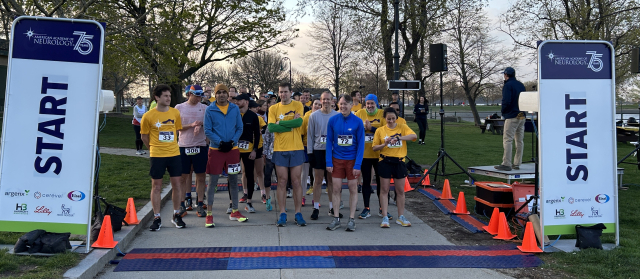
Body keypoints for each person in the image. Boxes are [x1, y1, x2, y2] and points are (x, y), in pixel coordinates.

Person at [140, 84, 185, 230]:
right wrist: (153, 148)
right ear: (157, 97)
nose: (168, 98)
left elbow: (177, 131)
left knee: (177, 185)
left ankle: (176, 215)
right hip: (157, 155)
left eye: (170, 96)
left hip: (174, 154)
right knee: (156, 186)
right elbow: (144, 137)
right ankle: (157, 217)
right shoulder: (148, 116)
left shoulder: (175, 113)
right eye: (165, 96)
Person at [203, 84, 247, 228]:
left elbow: (240, 127)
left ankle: (235, 211)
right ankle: (209, 214)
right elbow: (207, 130)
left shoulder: (234, 108)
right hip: (216, 150)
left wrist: (232, 141)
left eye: (224, 92)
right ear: (215, 95)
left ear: (228, 94)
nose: (222, 95)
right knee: (213, 182)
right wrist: (220, 142)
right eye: (219, 92)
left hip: (232, 150)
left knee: (234, 181)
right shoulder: (210, 110)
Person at [268, 82, 307, 227]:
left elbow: (298, 124)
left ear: (291, 92)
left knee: (296, 181)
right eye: (281, 92)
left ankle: (298, 213)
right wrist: (291, 122)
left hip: (296, 148)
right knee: (282, 181)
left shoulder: (298, 105)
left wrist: (281, 124)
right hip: (280, 149)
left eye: (285, 92)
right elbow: (271, 127)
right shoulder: (273, 108)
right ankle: (283, 213)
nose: (283, 94)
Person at [325, 94, 365, 231]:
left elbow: (361, 145)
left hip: (352, 160)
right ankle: (336, 218)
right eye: (341, 104)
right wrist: (328, 161)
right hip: (337, 159)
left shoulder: (358, 122)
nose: (343, 106)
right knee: (336, 188)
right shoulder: (333, 120)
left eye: (345, 104)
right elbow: (329, 142)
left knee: (353, 188)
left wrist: (358, 164)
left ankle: (352, 219)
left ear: (351, 105)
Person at [372, 107, 417, 228]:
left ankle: (401, 216)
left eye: (393, 118)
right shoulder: (380, 130)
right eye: (388, 119)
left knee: (400, 191)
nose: (391, 121)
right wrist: (384, 144)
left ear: (396, 118)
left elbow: (414, 136)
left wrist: (398, 138)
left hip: (399, 162)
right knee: (384, 190)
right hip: (385, 161)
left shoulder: (402, 127)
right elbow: (374, 147)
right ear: (384, 119)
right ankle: (385, 216)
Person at [175, 85, 208, 218]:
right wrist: (191, 125)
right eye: (196, 95)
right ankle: (182, 204)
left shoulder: (204, 108)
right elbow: (176, 127)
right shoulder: (179, 107)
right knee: (183, 177)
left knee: (201, 176)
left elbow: (209, 124)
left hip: (200, 145)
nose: (199, 98)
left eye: (201, 95)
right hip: (184, 145)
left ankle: (200, 203)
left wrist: (202, 127)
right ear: (189, 94)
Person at [354, 94, 388, 219]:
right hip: (365, 154)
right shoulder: (359, 113)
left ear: (376, 103)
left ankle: (382, 208)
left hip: (380, 154)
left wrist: (372, 128)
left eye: (372, 103)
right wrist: (362, 129)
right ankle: (366, 208)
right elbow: (353, 129)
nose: (369, 106)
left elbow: (386, 132)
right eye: (367, 103)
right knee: (366, 182)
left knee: (382, 183)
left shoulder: (382, 114)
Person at [495, 67, 526, 171]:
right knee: (519, 140)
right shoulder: (521, 85)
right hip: (522, 115)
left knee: (508, 139)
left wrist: (503, 112)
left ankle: (506, 163)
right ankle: (517, 163)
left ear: (506, 75)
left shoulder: (508, 85)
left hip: (512, 115)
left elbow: (506, 101)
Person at [234, 93, 261, 213]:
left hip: (248, 150)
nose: (237, 102)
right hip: (234, 150)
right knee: (232, 176)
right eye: (236, 100)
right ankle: (232, 203)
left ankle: (249, 201)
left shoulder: (253, 116)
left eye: (239, 100)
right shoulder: (233, 114)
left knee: (250, 175)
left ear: (246, 102)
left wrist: (255, 150)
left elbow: (257, 134)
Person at [300, 98, 323, 204]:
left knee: (315, 174)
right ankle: (302, 197)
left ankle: (315, 199)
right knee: (304, 174)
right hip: (305, 147)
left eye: (319, 104)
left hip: (317, 148)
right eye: (315, 104)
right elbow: (302, 133)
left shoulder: (322, 116)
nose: (317, 106)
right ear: (311, 105)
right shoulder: (307, 116)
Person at [250, 100, 269, 204]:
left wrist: (259, 132)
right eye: (253, 108)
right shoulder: (243, 117)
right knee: (248, 173)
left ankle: (263, 194)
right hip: (247, 148)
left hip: (258, 147)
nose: (255, 109)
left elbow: (266, 127)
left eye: (256, 108)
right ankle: (248, 194)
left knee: (260, 172)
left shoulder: (258, 118)